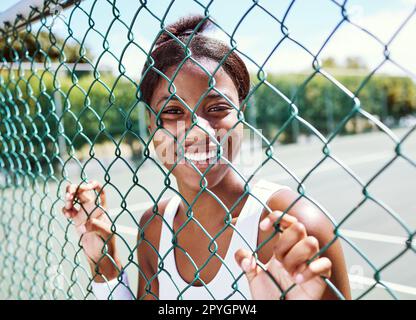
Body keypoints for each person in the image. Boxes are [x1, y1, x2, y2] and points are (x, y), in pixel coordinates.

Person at [62, 14, 351, 300]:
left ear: (241, 117)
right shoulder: (153, 228)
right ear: (152, 126)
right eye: (173, 111)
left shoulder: (294, 227)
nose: (198, 131)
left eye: (217, 108)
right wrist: (104, 264)